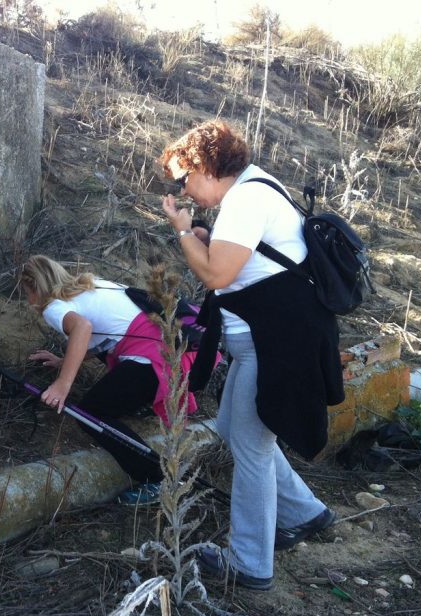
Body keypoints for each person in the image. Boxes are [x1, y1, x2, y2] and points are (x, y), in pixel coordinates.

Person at [159, 119, 344, 591]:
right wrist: (200, 238)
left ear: (204, 165)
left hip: (280, 342)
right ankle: (305, 512)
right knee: (233, 429)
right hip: (275, 339)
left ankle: (249, 562)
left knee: (251, 445)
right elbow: (242, 264)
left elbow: (217, 277)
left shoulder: (246, 198)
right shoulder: (252, 189)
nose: (184, 191)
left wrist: (182, 233)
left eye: (184, 180)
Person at [20, 255, 200, 506]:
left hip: (154, 360)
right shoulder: (91, 286)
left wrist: (62, 384)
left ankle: (156, 479)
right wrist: (65, 360)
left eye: (26, 293)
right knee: (106, 391)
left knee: (90, 413)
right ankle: (140, 407)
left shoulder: (53, 306)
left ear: (35, 288)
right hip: (173, 350)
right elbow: (106, 334)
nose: (29, 302)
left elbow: (82, 329)